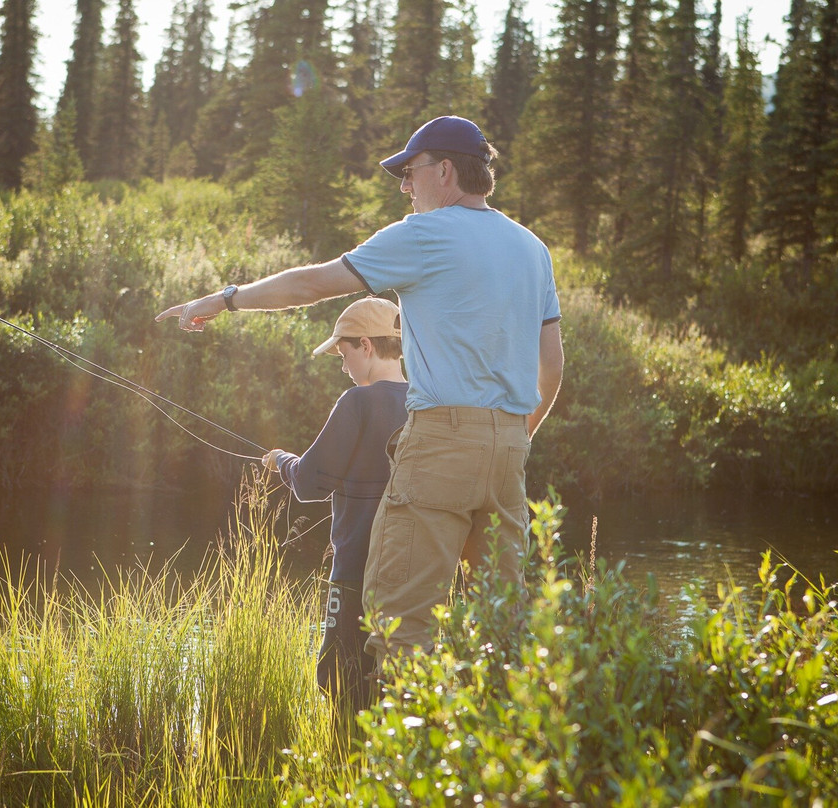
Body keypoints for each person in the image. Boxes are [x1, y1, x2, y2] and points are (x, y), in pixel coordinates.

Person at [156, 115, 564, 667]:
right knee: (502, 629)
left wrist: (225, 299)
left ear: (445, 171)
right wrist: (513, 437)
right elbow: (553, 370)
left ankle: (399, 754)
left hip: (440, 443)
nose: (404, 186)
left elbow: (314, 283)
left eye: (409, 172)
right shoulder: (533, 249)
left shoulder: (425, 233)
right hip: (511, 449)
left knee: (398, 624)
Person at [261, 296, 408, 709]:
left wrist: (281, 461)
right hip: (411, 575)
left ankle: (344, 767)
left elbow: (308, 483)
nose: (344, 367)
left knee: (341, 682)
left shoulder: (357, 401)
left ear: (366, 346)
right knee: (396, 686)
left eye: (344, 354)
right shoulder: (425, 402)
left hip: (354, 573)